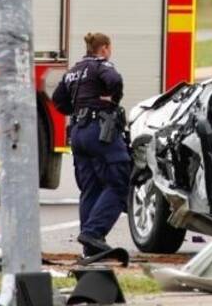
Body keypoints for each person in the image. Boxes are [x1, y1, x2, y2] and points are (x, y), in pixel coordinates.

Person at [52, 32, 130, 257]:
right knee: (118, 182)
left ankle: (90, 247)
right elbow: (115, 81)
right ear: (104, 48)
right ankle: (94, 233)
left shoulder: (73, 71)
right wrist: (113, 100)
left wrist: (77, 110)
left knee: (91, 187)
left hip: (78, 132)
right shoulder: (101, 65)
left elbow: (58, 99)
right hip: (100, 131)